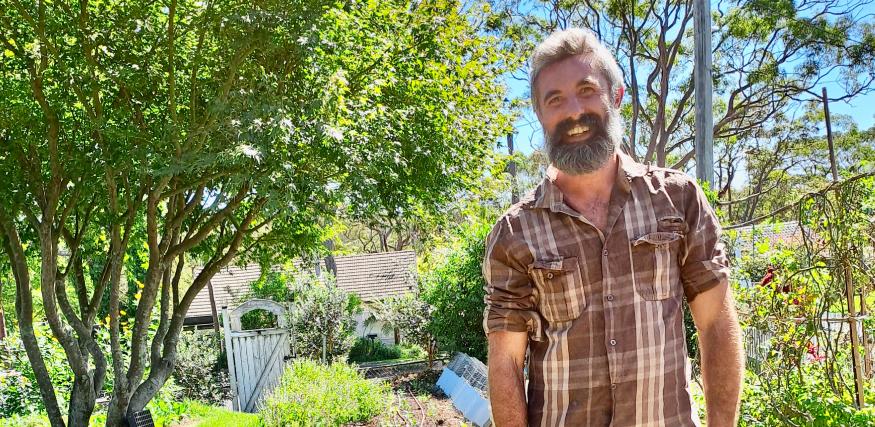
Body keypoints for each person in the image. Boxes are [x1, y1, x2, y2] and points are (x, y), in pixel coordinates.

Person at [482, 28, 744, 427]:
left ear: (616, 96)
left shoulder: (679, 200)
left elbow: (716, 323)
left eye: (587, 90)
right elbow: (506, 361)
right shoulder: (516, 233)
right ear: (539, 115)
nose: (573, 111)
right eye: (554, 99)